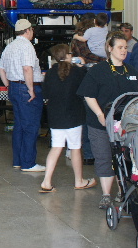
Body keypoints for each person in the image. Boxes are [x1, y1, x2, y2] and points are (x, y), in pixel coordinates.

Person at [77, 32, 138, 209]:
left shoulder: (133, 72)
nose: (124, 51)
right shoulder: (98, 71)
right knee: (104, 157)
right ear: (110, 48)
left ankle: (123, 192)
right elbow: (88, 94)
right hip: (100, 125)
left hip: (126, 126)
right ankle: (106, 194)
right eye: (120, 47)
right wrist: (100, 115)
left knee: (124, 158)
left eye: (125, 47)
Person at [40, 44, 96, 193]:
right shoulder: (77, 71)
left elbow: (45, 94)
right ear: (68, 55)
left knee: (56, 147)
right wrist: (82, 66)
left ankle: (46, 181)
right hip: (74, 116)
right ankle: (79, 181)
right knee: (75, 148)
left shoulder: (50, 73)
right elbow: (85, 89)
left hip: (55, 116)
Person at [0, 19, 45, 172]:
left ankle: (17, 160)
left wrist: (8, 84)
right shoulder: (27, 46)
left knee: (19, 125)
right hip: (26, 89)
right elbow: (27, 68)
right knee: (30, 126)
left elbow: (1, 67)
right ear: (28, 30)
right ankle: (28, 163)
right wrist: (30, 89)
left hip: (14, 87)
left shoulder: (10, 46)